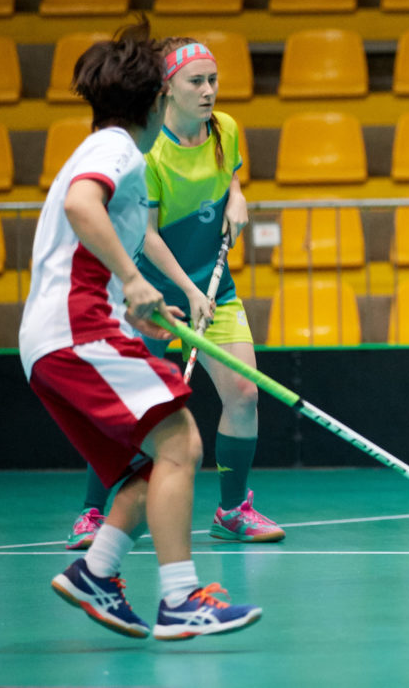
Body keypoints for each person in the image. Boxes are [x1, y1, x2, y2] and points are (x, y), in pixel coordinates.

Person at [25, 20, 261, 640]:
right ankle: (182, 596)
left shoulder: (109, 147)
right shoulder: (118, 149)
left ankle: (96, 572)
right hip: (76, 331)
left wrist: (139, 306)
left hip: (62, 336)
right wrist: (133, 280)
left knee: (147, 468)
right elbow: (82, 206)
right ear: (157, 99)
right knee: (181, 440)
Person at [65, 38, 283, 550]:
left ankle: (232, 510)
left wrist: (237, 198)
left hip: (216, 287)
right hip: (151, 297)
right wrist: (187, 292)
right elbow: (148, 236)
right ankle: (92, 513)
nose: (208, 91)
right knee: (130, 406)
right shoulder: (150, 152)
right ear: (168, 89)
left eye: (213, 81)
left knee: (244, 394)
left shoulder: (224, 129)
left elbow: (230, 180)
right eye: (196, 82)